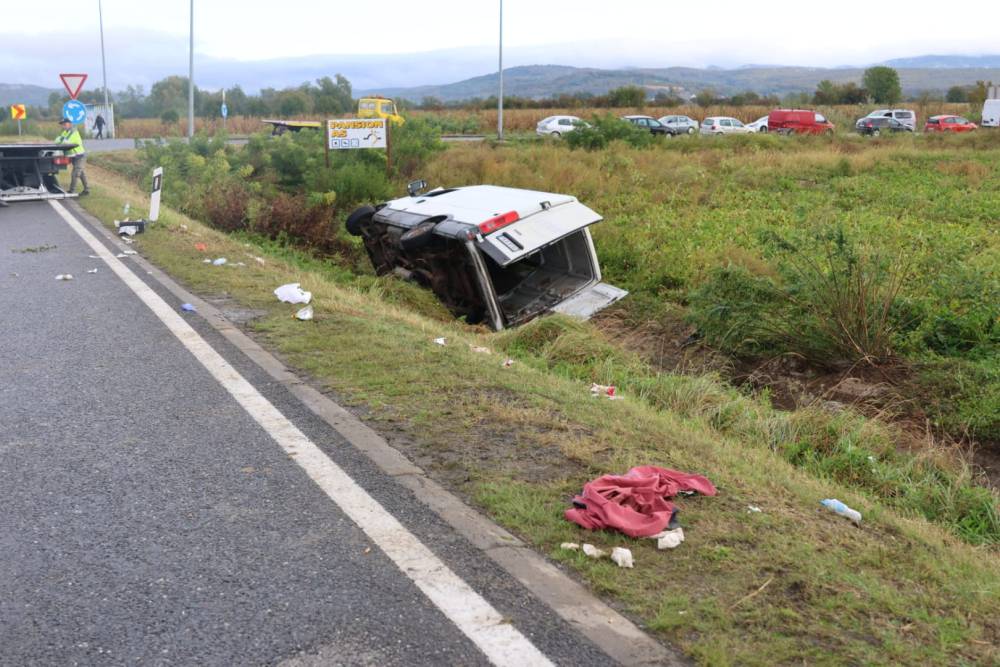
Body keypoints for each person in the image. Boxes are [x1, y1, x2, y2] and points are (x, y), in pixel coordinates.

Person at [55, 118, 89, 196]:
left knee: (75, 174)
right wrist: (62, 140)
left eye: (65, 124)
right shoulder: (65, 132)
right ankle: (87, 190)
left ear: (70, 124)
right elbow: (57, 140)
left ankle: (71, 191)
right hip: (73, 156)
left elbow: (66, 141)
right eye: (62, 125)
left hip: (80, 155)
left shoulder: (74, 132)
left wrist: (62, 140)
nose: (63, 126)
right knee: (81, 174)